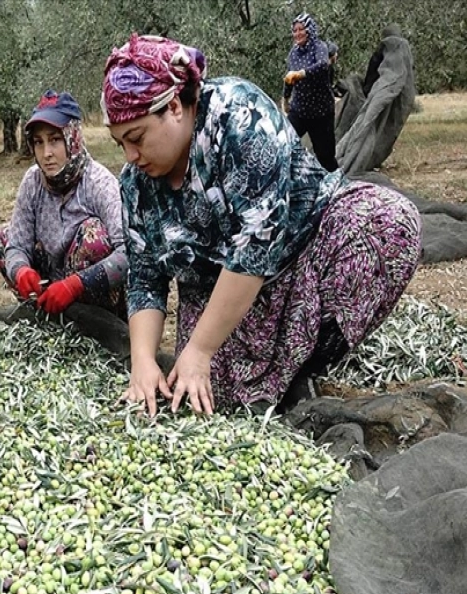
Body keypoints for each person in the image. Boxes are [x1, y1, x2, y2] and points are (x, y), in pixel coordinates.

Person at [102, 34, 421, 416]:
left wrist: (200, 350)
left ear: (173, 107)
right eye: (121, 143)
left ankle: (304, 366)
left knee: (391, 226)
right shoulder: (135, 184)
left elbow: (255, 246)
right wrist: (143, 363)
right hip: (220, 295)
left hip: (304, 249)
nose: (130, 156)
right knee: (210, 399)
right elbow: (145, 278)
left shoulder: (239, 116)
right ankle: (270, 374)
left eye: (136, 138)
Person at [0, 90, 128, 317]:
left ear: (72, 138)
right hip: (50, 284)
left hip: (89, 292)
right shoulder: (32, 182)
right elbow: (17, 245)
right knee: (4, 239)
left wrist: (75, 285)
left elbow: (128, 253)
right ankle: (41, 311)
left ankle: (92, 321)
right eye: (38, 142)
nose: (46, 153)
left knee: (92, 236)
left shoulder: (99, 183)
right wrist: (21, 271)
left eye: (55, 140)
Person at [282, 13, 339, 172]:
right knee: (284, 143)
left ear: (309, 30)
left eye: (301, 29)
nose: (297, 33)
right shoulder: (293, 53)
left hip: (321, 113)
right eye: (295, 30)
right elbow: (289, 77)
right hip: (299, 111)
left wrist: (301, 73)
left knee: (325, 157)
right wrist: (285, 99)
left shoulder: (319, 47)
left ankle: (338, 188)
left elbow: (322, 66)